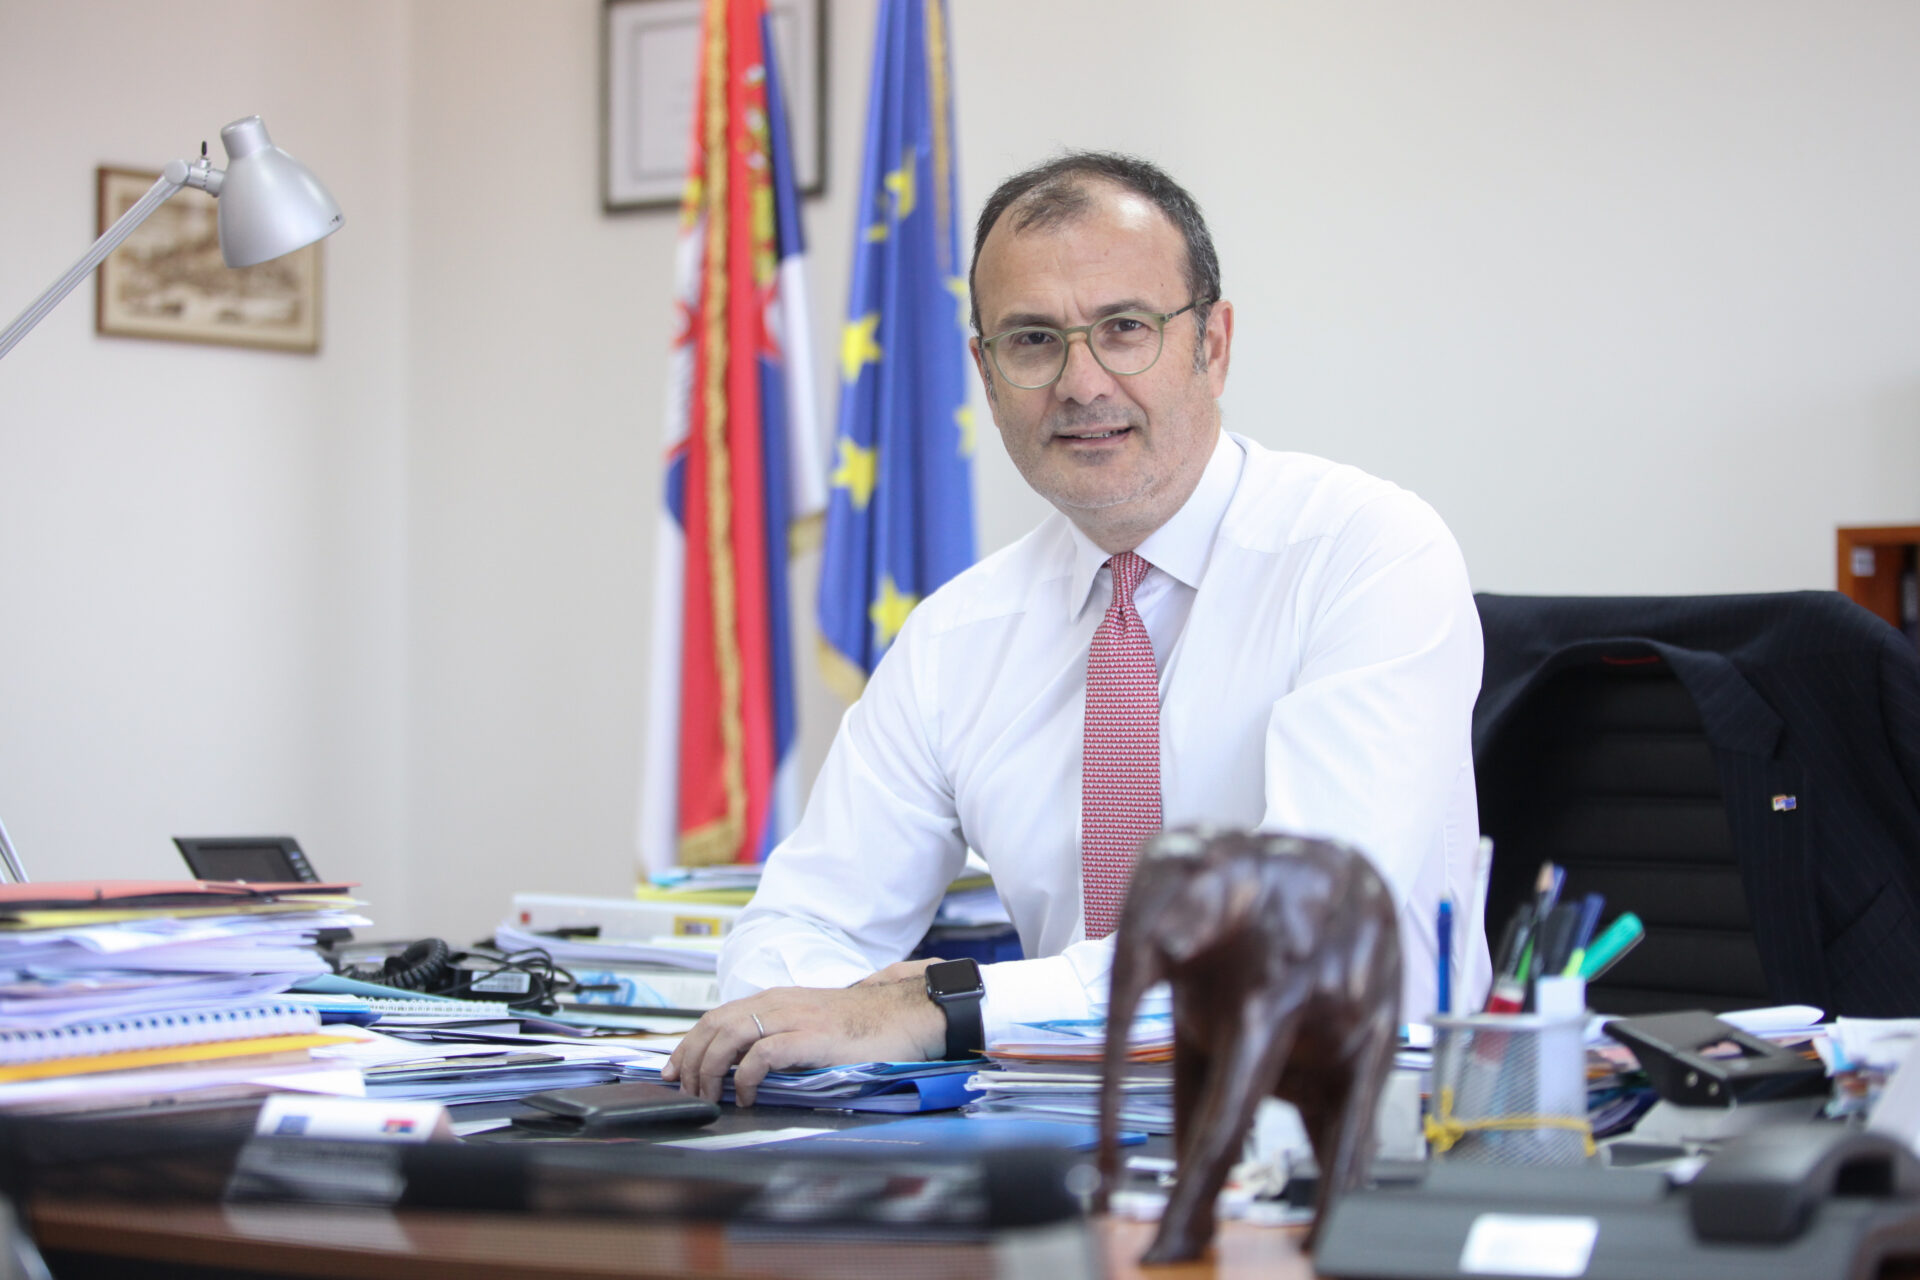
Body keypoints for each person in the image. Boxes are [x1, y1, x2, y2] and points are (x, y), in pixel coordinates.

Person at [664, 152, 1488, 1105]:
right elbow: (794, 930)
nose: (1081, 382)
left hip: (1346, 1128)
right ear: (986, 374)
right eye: (1032, 341)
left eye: (1125, 329)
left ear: (1214, 344)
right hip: (1049, 1127)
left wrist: (948, 1004)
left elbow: (1292, 944)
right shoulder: (958, 636)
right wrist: (836, 1011)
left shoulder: (1368, 555)